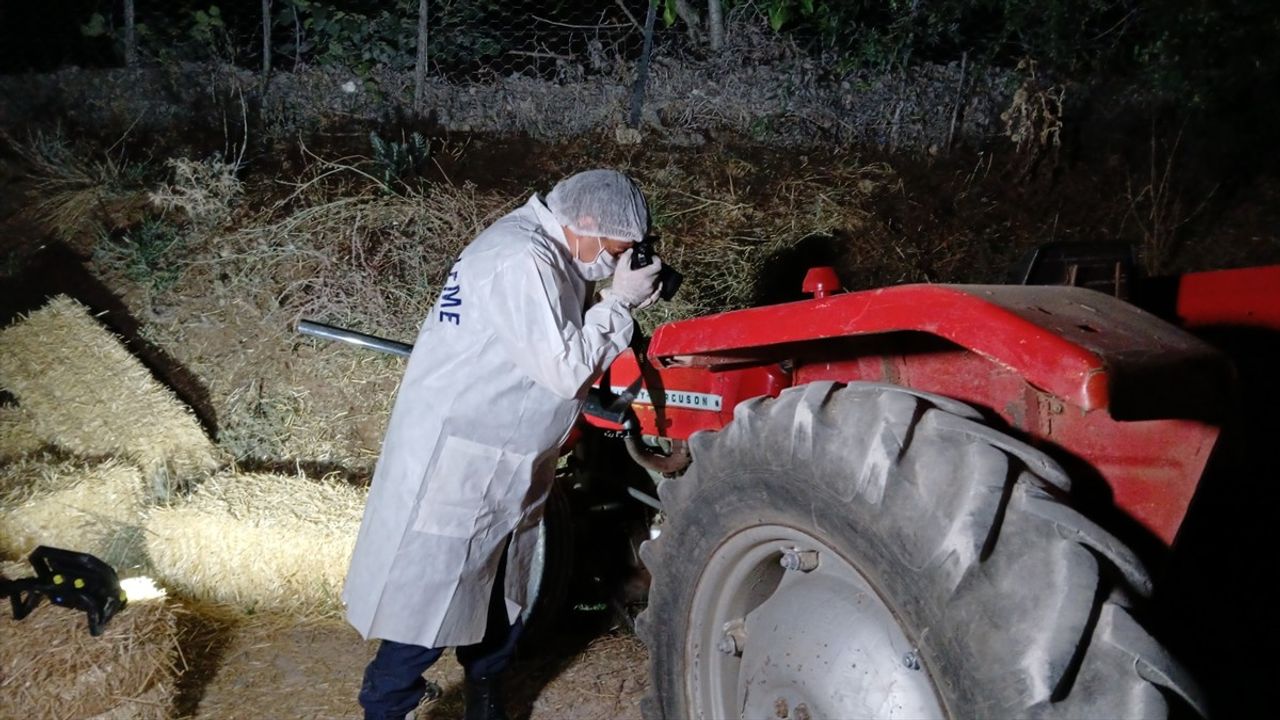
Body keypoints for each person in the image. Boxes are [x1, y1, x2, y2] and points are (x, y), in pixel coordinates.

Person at [343, 169, 664, 720]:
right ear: (585, 223)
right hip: (464, 459)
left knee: (501, 594)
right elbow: (566, 367)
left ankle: (485, 696)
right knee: (433, 601)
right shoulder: (521, 258)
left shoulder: (552, 253)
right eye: (616, 250)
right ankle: (385, 703)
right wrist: (620, 305)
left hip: (507, 452)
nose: (615, 263)